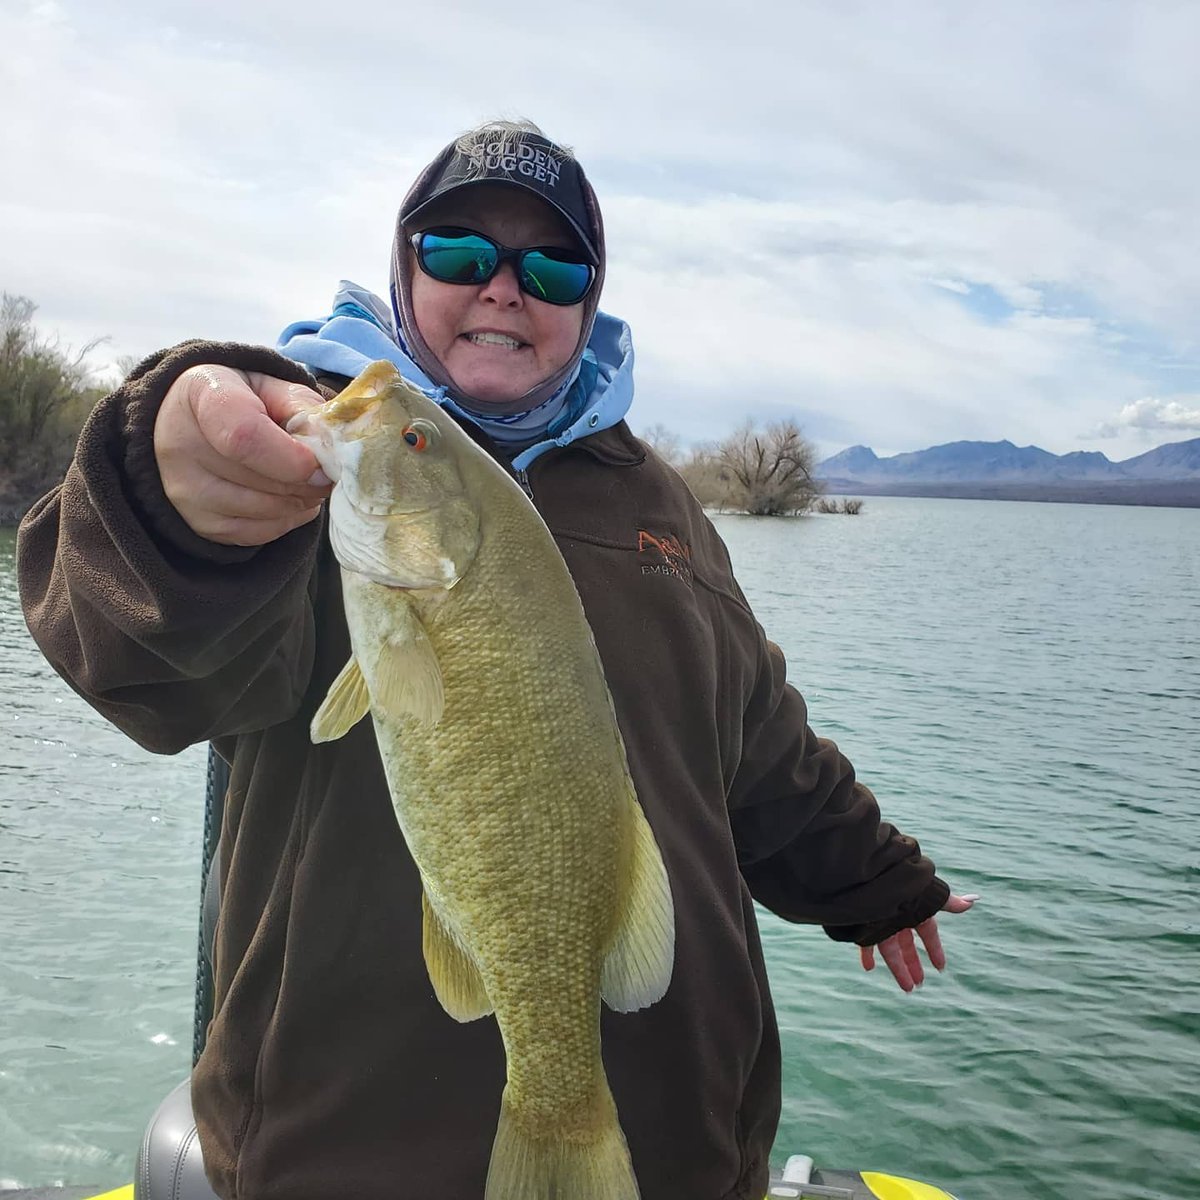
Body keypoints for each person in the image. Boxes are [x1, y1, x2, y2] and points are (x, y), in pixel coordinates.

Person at [18, 120, 974, 1200]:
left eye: (553, 266)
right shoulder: (300, 471)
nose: (505, 290)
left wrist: (877, 881)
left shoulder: (657, 500)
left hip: (684, 1156)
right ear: (403, 270)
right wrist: (168, 494)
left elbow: (754, 742)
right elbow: (135, 654)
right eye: (461, 254)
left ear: (588, 302)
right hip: (344, 1159)